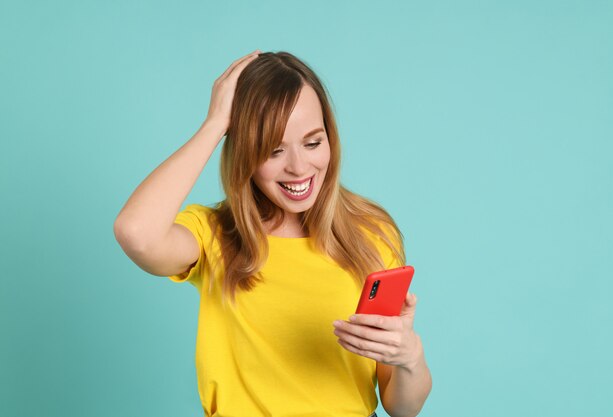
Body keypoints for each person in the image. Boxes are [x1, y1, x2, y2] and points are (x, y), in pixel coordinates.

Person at [114, 49, 432, 417]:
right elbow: (135, 232)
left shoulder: (372, 233)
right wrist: (216, 124)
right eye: (273, 149)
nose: (299, 167)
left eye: (313, 142)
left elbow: (403, 409)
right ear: (245, 151)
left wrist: (409, 357)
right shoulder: (213, 235)